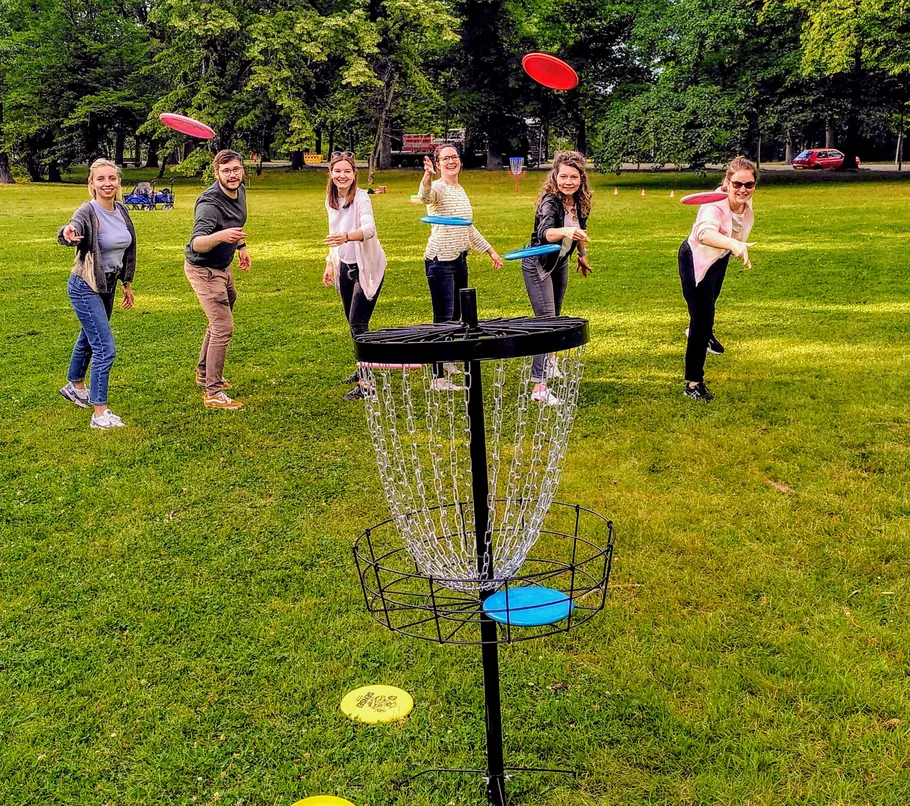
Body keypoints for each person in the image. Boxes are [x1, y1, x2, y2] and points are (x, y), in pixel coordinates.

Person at [57, 158, 137, 429]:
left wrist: (126, 283)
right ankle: (100, 414)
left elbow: (129, 248)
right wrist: (67, 233)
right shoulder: (87, 211)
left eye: (112, 178)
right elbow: (72, 228)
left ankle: (76, 386)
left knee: (90, 338)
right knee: (105, 348)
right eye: (100, 179)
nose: (107, 184)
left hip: (108, 285)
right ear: (91, 184)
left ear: (118, 182)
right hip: (85, 285)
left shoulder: (122, 211)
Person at [418, 143, 503, 390]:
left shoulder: (460, 189)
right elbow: (424, 196)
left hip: (459, 259)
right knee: (443, 318)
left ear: (460, 161)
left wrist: (490, 250)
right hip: (440, 261)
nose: (451, 161)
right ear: (438, 163)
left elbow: (467, 226)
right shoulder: (437, 188)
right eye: (445, 158)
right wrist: (427, 176)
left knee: (456, 315)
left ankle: (447, 359)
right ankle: (437, 377)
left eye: (454, 157)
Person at [678, 156, 758, 401]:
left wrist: (732, 247)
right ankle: (693, 384)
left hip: (719, 259)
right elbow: (704, 233)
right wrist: (734, 243)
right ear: (727, 182)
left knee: (707, 311)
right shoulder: (714, 205)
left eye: (749, 184)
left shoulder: (744, 200)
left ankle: (703, 331)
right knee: (701, 320)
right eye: (737, 184)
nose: (743, 189)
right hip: (696, 260)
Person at [521, 151, 593, 406]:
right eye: (563, 176)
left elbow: (580, 232)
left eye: (574, 177)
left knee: (556, 317)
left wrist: (581, 256)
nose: (568, 182)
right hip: (538, 262)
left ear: (581, 179)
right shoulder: (550, 202)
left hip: (560, 261)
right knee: (546, 322)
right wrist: (566, 230)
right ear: (555, 176)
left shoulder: (580, 200)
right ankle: (538, 386)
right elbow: (545, 233)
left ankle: (549, 363)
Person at [184, 149, 251, 410]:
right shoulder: (209, 204)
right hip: (204, 270)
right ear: (216, 173)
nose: (232, 175)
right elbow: (198, 243)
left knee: (220, 318)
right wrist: (222, 237)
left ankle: (203, 372)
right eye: (226, 171)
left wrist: (241, 246)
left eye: (236, 169)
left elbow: (236, 222)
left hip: (223, 266)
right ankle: (213, 392)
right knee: (223, 326)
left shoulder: (240, 190)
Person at [322, 151, 387, 400]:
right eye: (337, 171)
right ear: (331, 174)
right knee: (353, 323)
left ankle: (366, 385)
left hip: (367, 267)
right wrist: (330, 262)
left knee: (358, 323)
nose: (342, 175)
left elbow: (369, 229)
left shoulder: (361, 198)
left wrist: (348, 236)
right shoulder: (330, 200)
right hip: (345, 266)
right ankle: (363, 367)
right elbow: (333, 233)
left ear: (354, 175)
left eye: (347, 171)